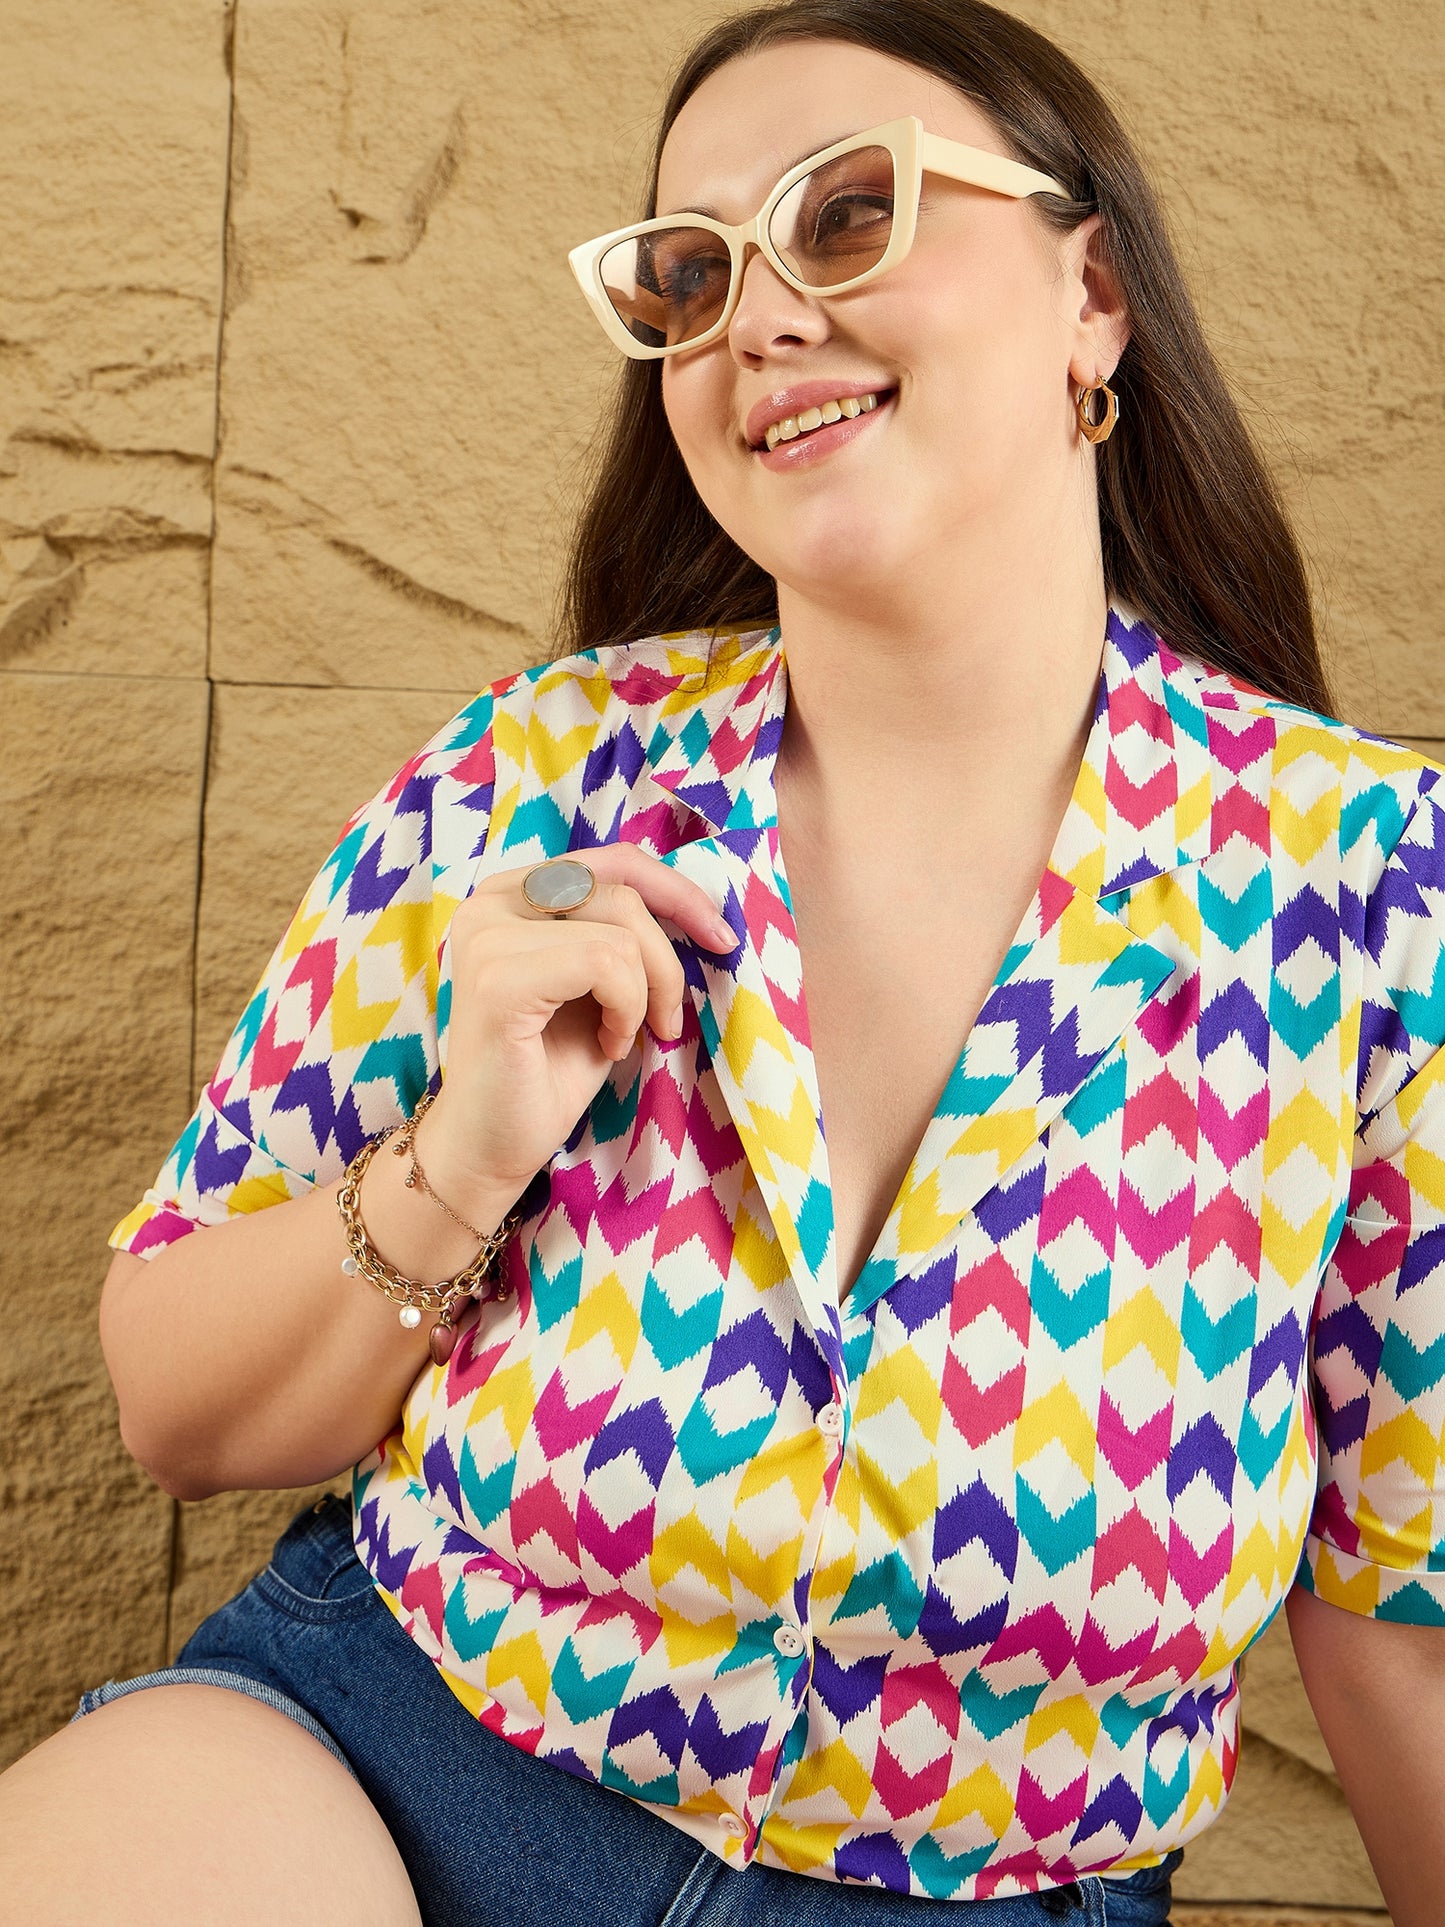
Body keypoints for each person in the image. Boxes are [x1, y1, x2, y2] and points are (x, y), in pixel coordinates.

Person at [3, 0, 1442, 1921]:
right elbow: (174, 1409)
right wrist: (455, 1163)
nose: (755, 317)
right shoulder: (532, 777)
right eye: (689, 274)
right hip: (384, 1762)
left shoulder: (1370, 887)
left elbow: (1399, 1610)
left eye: (847, 214)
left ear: (1089, 297)